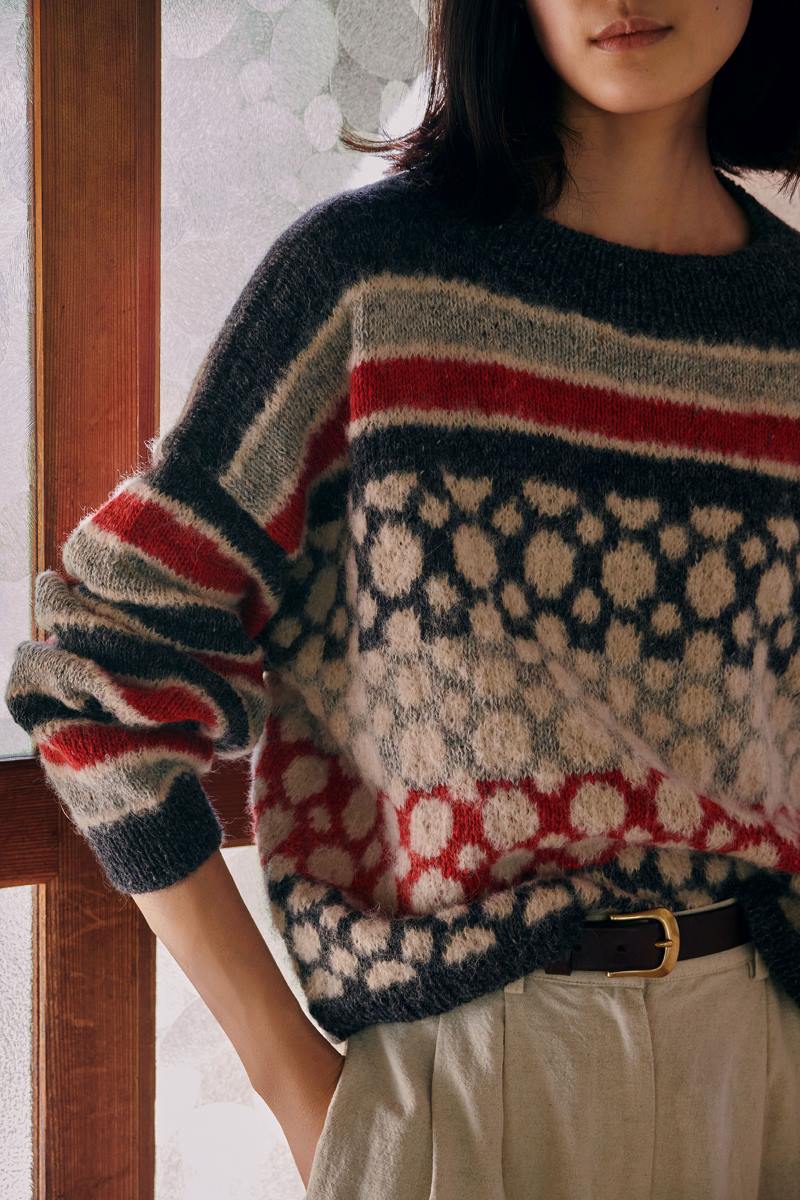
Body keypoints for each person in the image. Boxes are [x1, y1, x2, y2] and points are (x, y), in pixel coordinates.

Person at [5, 0, 800, 1196]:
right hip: (465, 1086)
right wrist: (293, 1084)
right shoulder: (369, 287)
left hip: (763, 1070)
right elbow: (101, 673)